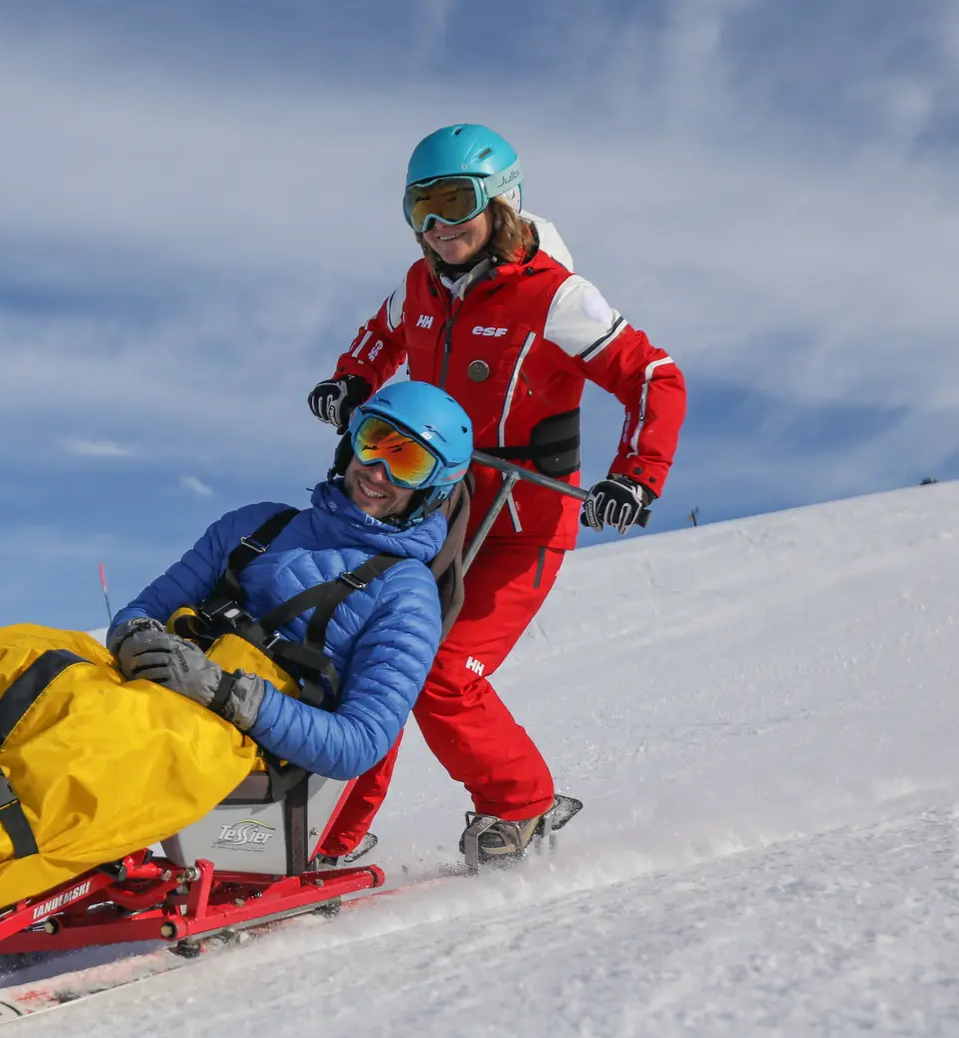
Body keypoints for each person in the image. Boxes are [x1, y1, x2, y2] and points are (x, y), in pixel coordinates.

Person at [306, 123, 687, 864]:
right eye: (420, 209)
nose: (438, 228)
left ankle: (521, 803)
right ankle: (324, 839)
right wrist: (353, 378)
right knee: (369, 652)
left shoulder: (555, 295)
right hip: (432, 503)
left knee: (442, 674)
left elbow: (653, 377)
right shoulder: (420, 283)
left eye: (455, 203)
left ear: (501, 201)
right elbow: (382, 334)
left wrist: (637, 474)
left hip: (521, 519)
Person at [106, 382, 474, 865]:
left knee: (84, 743)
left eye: (406, 464)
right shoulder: (255, 526)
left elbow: (361, 742)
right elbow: (143, 610)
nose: (377, 471)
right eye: (374, 441)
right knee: (25, 658)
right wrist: (134, 637)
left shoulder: (405, 594)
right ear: (350, 442)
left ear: (432, 489)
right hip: (148, 704)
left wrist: (224, 692)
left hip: (242, 756)